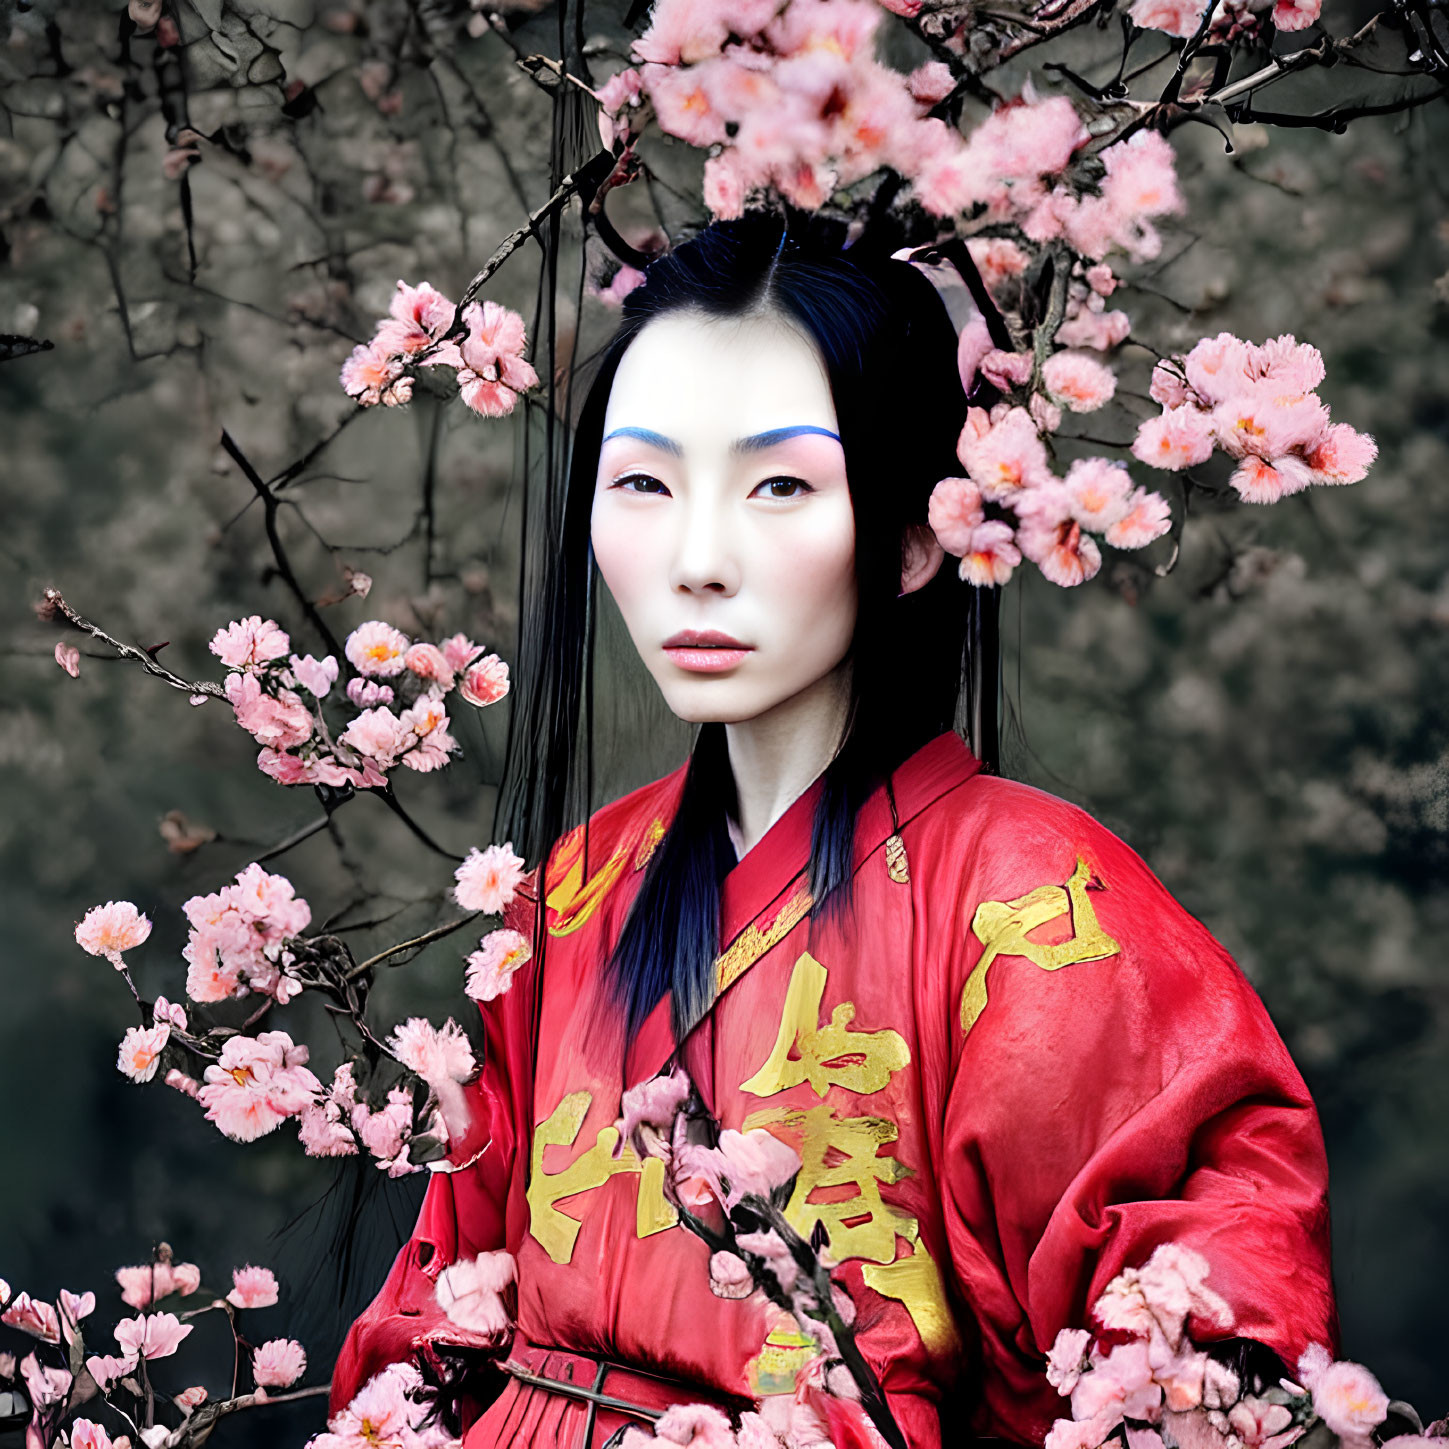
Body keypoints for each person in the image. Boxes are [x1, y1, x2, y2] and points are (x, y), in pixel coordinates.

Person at [330, 219, 1336, 1448]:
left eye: (780, 486)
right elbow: (441, 1307)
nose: (698, 561)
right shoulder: (576, 890)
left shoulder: (1034, 904)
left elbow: (1196, 1275)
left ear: (918, 537)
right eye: (643, 483)